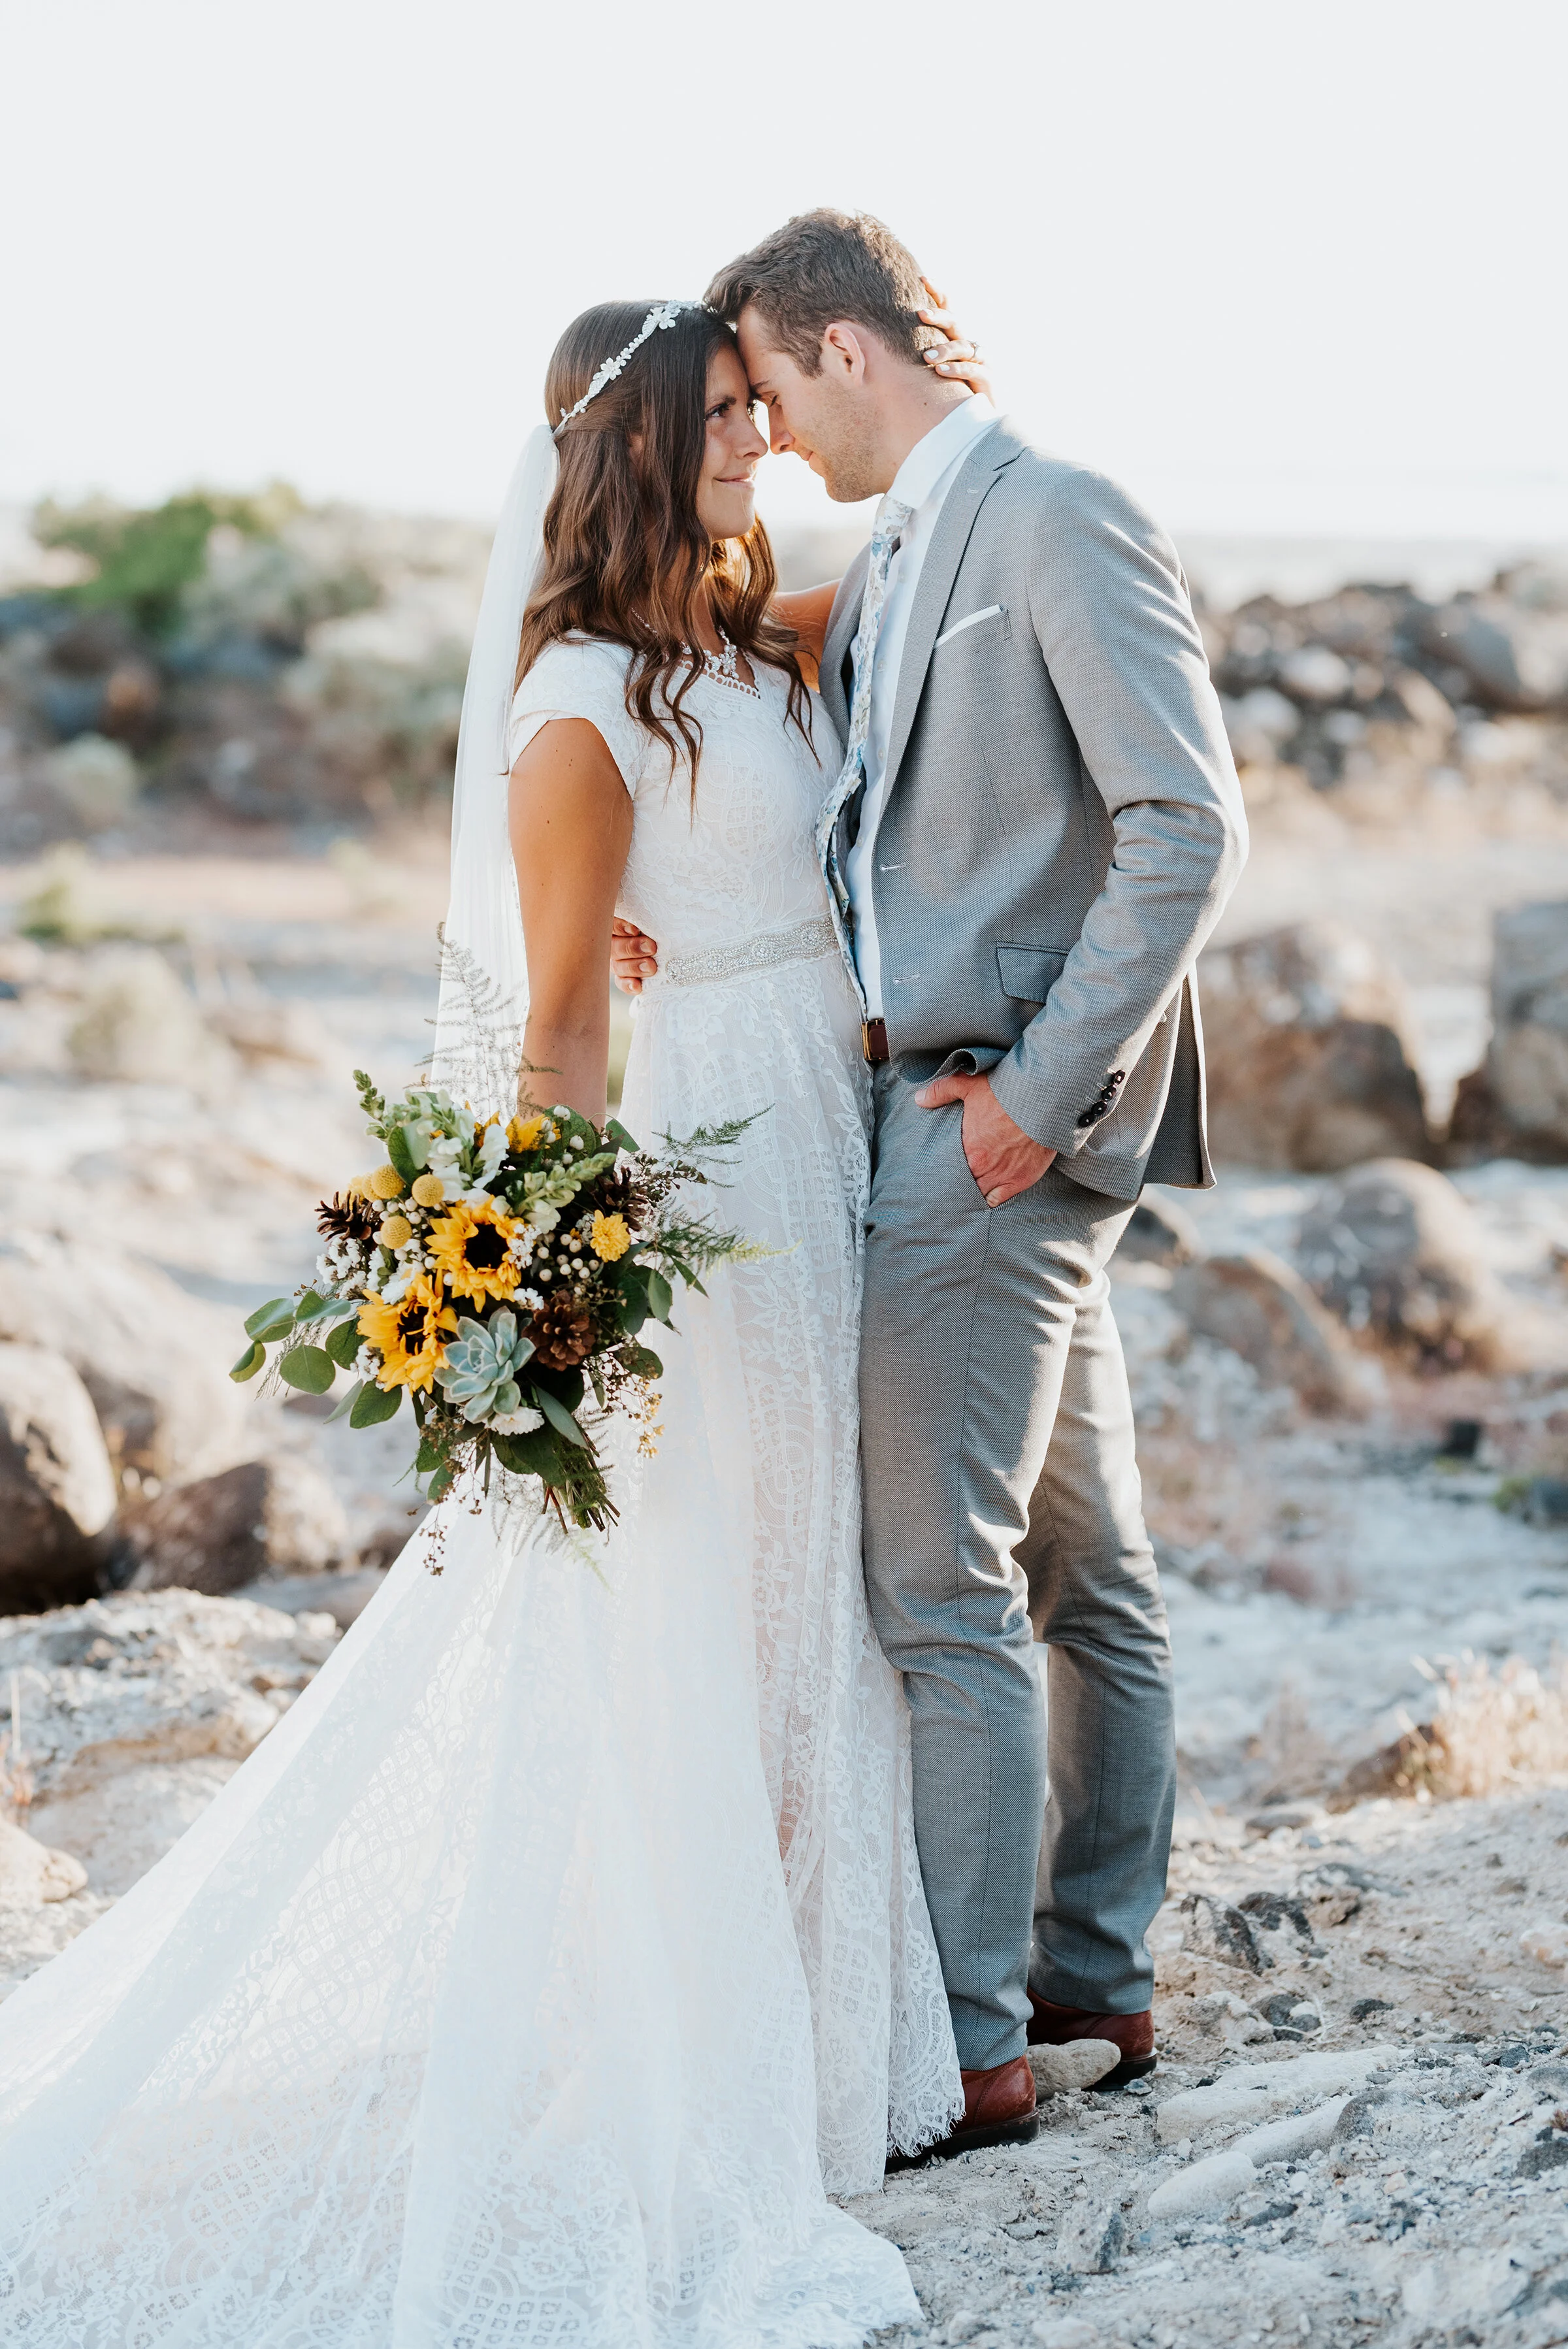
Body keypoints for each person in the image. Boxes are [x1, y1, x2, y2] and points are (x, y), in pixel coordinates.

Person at [0, 293, 993, 2346]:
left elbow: (907, 555)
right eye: (720, 418)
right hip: (716, 1166)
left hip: (834, 1124)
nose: (755, 443)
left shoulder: (743, 640)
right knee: (727, 1608)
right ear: (631, 448)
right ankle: (734, 2071)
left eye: (757, 404)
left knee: (818, 1595)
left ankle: (832, 2040)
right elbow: (555, 1028)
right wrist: (550, 1280)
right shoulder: (577, 708)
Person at [612, 209, 1249, 2155]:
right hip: (946, 1106)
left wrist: (1027, 1107)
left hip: (990, 1128)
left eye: (775, 390)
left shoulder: (1054, 516)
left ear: (844, 349)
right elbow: (861, 792)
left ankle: (972, 2037)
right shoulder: (893, 556)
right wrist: (680, 908)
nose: (774, 438)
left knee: (933, 1584)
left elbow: (1182, 823)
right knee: (1088, 1569)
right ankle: (1097, 1981)